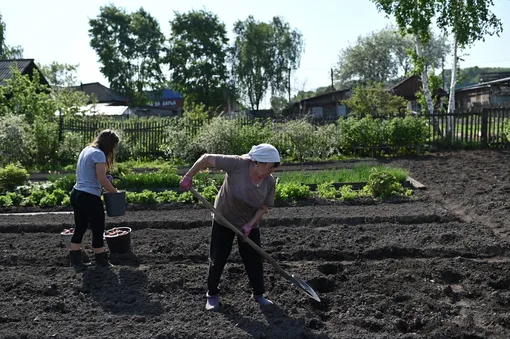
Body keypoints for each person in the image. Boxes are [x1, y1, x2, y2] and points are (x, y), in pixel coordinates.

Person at [180, 143, 280, 311]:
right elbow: (206, 158)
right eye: (271, 167)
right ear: (259, 162)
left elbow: (264, 207)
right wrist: (189, 176)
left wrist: (249, 225)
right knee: (218, 257)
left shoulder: (269, 182)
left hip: (248, 221)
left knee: (254, 259)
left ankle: (259, 295)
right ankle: (212, 295)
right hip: (224, 218)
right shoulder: (237, 164)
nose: (272, 171)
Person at [68, 129, 120, 270]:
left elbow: (92, 173)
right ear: (109, 144)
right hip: (89, 196)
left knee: (80, 227)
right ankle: (101, 261)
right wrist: (115, 192)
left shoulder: (87, 150)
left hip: (77, 193)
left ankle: (75, 260)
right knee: (98, 228)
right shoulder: (99, 154)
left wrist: (104, 179)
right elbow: (101, 178)